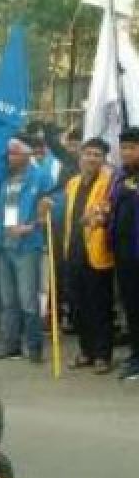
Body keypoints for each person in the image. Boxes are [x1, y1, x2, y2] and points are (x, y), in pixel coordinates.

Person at [48, 138, 115, 373]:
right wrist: (47, 205)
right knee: (77, 306)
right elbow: (62, 211)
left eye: (97, 155)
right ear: (80, 157)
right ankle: (86, 351)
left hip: (97, 253)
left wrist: (101, 217)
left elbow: (109, 210)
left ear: (103, 159)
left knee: (99, 306)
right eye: (88, 154)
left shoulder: (109, 183)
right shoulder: (72, 183)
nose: (91, 158)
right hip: (73, 251)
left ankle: (102, 355)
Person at [0, 138, 55, 363]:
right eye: (9, 154)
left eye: (15, 153)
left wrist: (32, 226)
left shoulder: (41, 177)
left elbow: (53, 206)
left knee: (28, 299)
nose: (11, 157)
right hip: (4, 246)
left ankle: (34, 347)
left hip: (27, 247)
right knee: (8, 300)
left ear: (27, 155)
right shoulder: (4, 180)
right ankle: (11, 345)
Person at [108, 128, 139, 381]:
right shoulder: (118, 176)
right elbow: (111, 206)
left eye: (132, 148)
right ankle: (135, 354)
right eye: (124, 147)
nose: (127, 152)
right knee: (130, 306)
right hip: (123, 252)